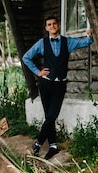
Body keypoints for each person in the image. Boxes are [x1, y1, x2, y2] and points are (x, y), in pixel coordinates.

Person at [22, 15, 93, 159]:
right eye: (49, 24)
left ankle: (38, 143)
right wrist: (38, 72)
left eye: (54, 24)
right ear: (46, 28)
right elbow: (26, 57)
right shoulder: (42, 43)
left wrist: (90, 36)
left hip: (60, 84)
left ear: (58, 25)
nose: (52, 26)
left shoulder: (68, 42)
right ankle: (53, 145)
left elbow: (85, 42)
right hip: (45, 83)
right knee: (49, 116)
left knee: (52, 115)